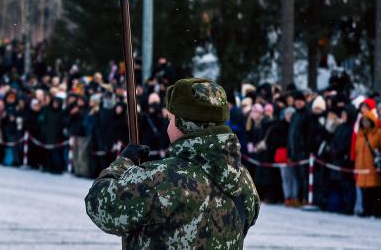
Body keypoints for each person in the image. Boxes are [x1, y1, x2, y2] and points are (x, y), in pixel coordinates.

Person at [85, 78, 259, 249]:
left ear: (184, 124)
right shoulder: (243, 179)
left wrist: (124, 163)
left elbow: (100, 206)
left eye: (170, 119)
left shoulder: (160, 178)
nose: (168, 127)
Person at [353, 109, 381, 218]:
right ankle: (366, 210)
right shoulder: (360, 135)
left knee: (375, 191)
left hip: (374, 167)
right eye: (363, 121)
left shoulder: (378, 133)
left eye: (367, 121)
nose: (365, 123)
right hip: (362, 168)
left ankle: (375, 211)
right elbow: (357, 152)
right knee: (365, 192)